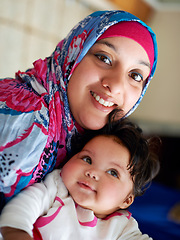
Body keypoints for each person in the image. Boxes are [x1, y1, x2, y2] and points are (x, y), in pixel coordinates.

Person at [0, 10, 158, 210]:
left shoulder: (94, 144)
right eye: (104, 58)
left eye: (135, 76)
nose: (116, 85)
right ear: (74, 54)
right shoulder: (25, 117)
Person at [0, 118, 160, 240]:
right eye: (87, 159)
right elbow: (24, 206)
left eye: (112, 172)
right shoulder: (55, 188)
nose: (93, 172)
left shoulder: (123, 229)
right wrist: (16, 231)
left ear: (126, 200)